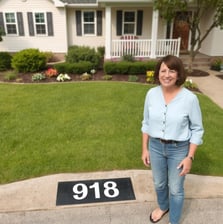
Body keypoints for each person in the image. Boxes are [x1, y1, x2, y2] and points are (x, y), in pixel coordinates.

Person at [141, 55, 204, 224]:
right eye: (163, 70)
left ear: (178, 74)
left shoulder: (190, 99)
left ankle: (174, 221)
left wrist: (189, 157)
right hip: (155, 147)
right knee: (160, 183)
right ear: (158, 73)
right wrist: (145, 149)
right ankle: (163, 207)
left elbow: (197, 130)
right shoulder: (151, 94)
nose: (166, 75)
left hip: (179, 149)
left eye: (172, 71)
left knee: (176, 189)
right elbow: (146, 123)